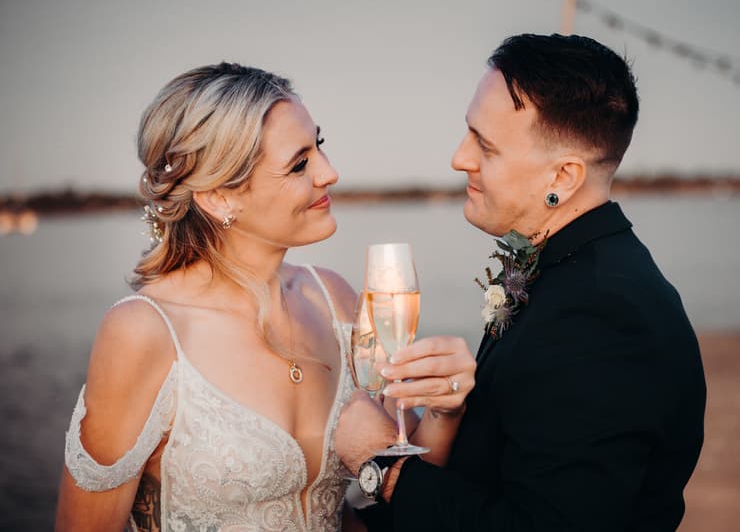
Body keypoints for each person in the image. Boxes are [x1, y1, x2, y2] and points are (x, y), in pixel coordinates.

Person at [55, 62, 476, 532]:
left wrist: (445, 409)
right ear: (219, 196)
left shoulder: (333, 299)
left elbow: (411, 489)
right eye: (299, 164)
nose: (330, 173)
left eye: (319, 146)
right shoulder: (144, 332)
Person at [335, 33, 707, 531]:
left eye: (485, 145)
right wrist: (451, 411)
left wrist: (382, 467)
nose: (459, 158)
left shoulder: (602, 315)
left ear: (563, 177)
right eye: (469, 132)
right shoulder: (566, 271)